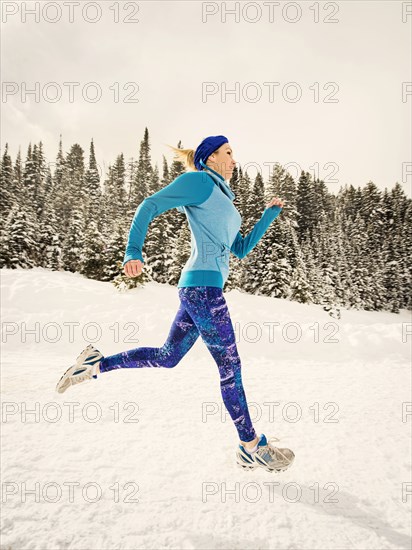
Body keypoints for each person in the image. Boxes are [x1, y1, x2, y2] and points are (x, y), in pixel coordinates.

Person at [55, 135, 295, 473]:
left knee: (168, 357)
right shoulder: (199, 182)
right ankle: (251, 445)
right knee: (230, 367)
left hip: (201, 289)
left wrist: (269, 215)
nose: (235, 160)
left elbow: (239, 249)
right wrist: (133, 251)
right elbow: (148, 205)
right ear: (210, 157)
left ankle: (95, 364)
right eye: (228, 152)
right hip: (203, 292)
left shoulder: (225, 197)